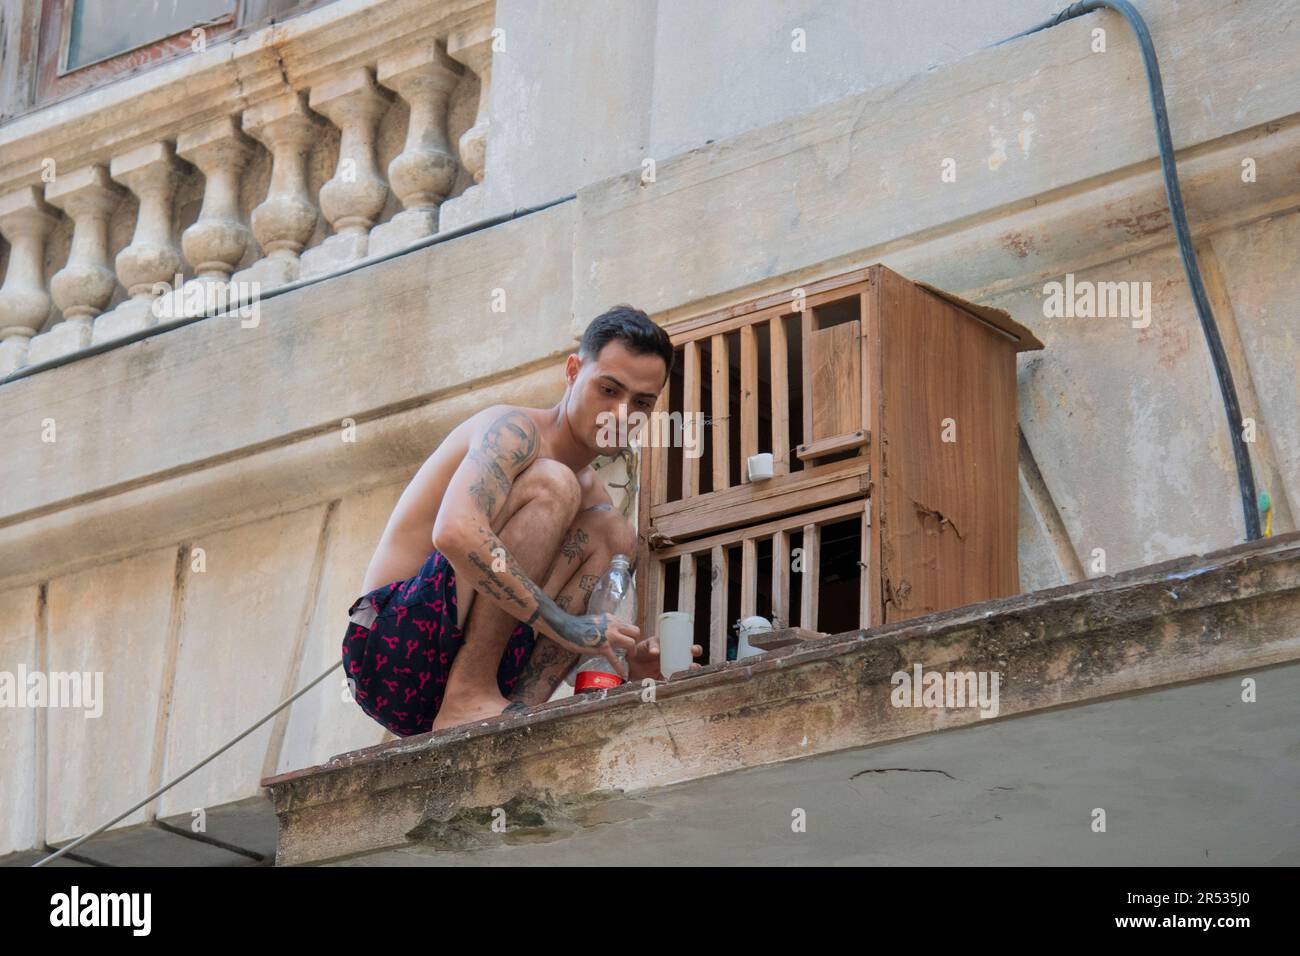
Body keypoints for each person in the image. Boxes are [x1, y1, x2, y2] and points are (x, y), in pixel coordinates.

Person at [342, 305, 702, 736]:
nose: (622, 414)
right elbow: (454, 531)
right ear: (573, 371)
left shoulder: (593, 498)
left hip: (480, 662)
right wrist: (570, 626)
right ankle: (468, 695)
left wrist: (629, 662)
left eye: (641, 402)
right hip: (393, 650)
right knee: (555, 482)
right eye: (608, 389)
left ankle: (514, 710)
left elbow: (582, 633)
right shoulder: (512, 430)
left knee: (614, 534)